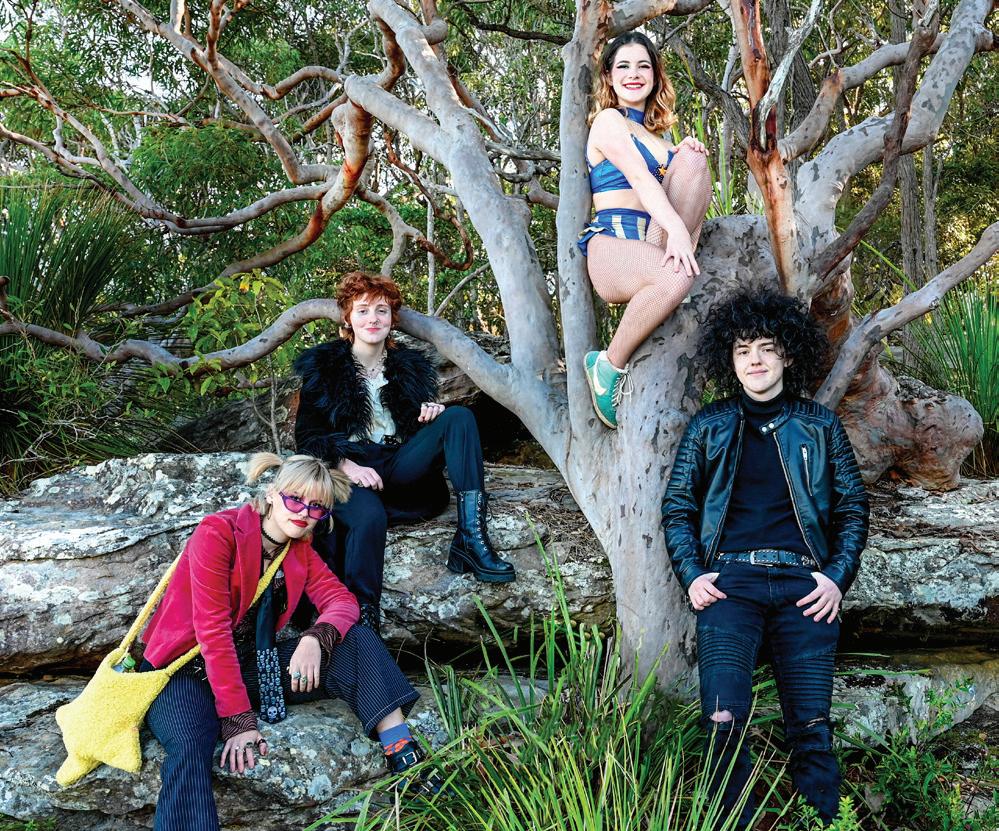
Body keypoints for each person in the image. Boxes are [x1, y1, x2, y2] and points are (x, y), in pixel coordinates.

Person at [140, 452, 439, 831]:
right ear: (271, 493)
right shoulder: (218, 533)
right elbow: (212, 632)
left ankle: (403, 755)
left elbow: (343, 602)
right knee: (190, 743)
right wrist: (238, 718)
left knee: (357, 639)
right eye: (295, 499)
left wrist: (316, 637)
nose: (304, 513)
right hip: (181, 670)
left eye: (317, 507)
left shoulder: (298, 551)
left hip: (247, 666)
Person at [661, 290, 870, 828]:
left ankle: (824, 822)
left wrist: (836, 578)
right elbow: (678, 506)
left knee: (812, 729)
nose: (754, 360)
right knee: (723, 721)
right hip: (730, 585)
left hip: (805, 589)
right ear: (730, 362)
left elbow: (852, 507)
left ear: (788, 355)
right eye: (742, 350)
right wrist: (692, 574)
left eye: (766, 348)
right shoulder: (708, 426)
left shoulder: (819, 426)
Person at [294, 271, 515, 634]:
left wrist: (430, 416)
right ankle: (362, 624)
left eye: (381, 310)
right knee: (368, 517)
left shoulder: (410, 368)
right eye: (363, 310)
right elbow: (307, 437)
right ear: (348, 318)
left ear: (392, 319)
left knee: (458, 417)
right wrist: (347, 466)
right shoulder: (324, 368)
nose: (373, 319)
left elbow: (413, 430)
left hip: (398, 466)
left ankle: (471, 539)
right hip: (350, 471)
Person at [579, 31, 713, 429]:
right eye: (623, 66)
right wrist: (677, 232)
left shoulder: (661, 140)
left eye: (643, 65)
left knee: (694, 159)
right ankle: (608, 365)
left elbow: (689, 190)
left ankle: (671, 283)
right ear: (608, 75)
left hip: (653, 242)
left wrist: (682, 156)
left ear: (655, 75)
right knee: (676, 275)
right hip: (613, 248)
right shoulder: (609, 121)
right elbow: (639, 178)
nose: (634, 74)